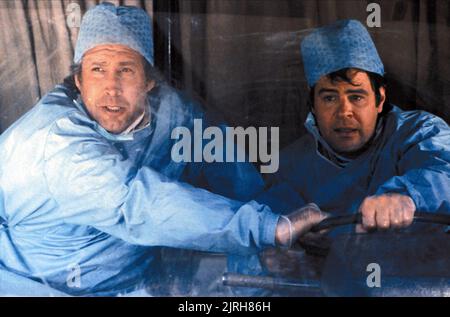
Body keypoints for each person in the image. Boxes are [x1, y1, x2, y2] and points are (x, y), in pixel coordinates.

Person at [0, 2, 326, 296]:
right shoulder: (56, 140)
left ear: (149, 82)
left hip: (135, 281)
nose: (111, 88)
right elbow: (135, 204)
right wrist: (268, 228)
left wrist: (274, 228)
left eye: (125, 69)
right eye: (97, 69)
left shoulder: (173, 114)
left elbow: (234, 175)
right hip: (36, 285)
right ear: (79, 82)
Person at [229, 19, 450, 294]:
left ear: (380, 99)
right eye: (330, 98)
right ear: (312, 105)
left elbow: (444, 172)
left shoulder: (419, 133)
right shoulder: (289, 167)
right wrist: (277, 258)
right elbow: (257, 233)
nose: (344, 112)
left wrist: (405, 196)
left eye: (357, 97)